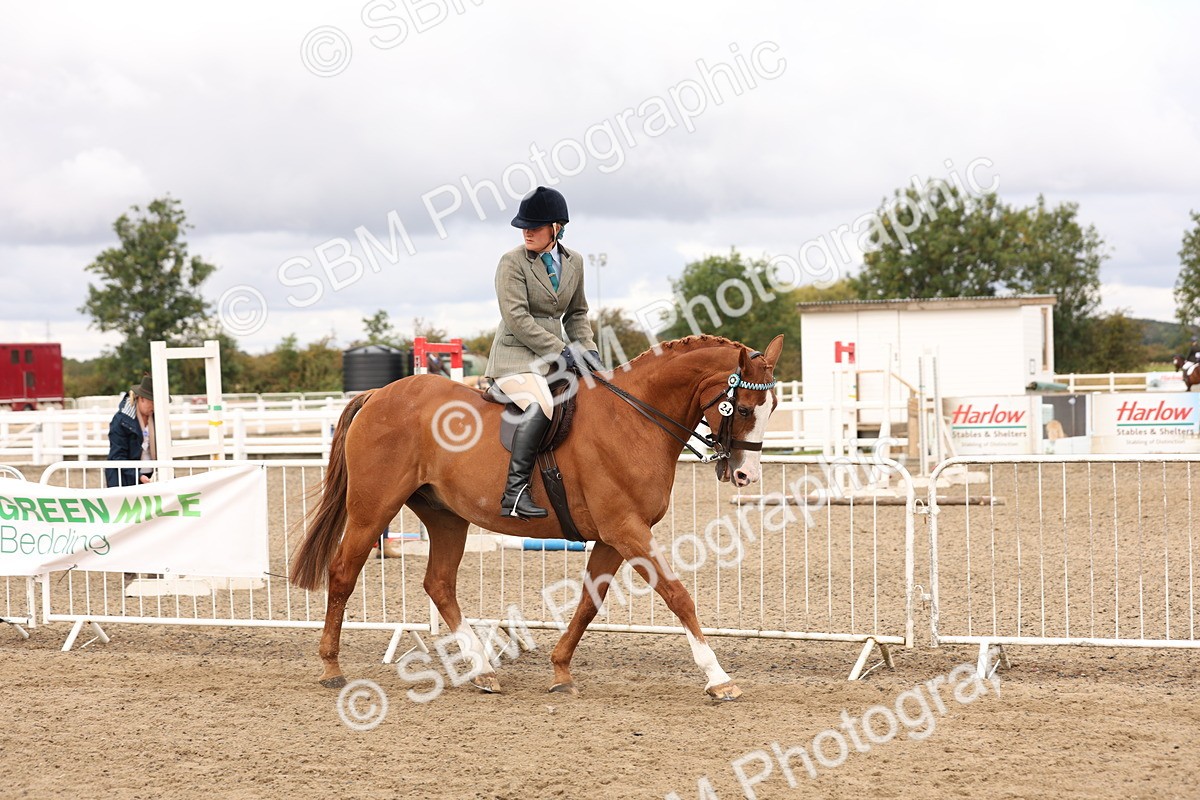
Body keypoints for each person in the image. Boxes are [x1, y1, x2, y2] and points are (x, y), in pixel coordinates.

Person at [483, 186, 603, 519]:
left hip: (555, 359)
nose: (527, 231)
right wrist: (562, 350)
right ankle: (515, 492)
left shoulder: (574, 262)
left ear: (557, 227)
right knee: (541, 405)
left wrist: (588, 352)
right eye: (524, 225)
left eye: (535, 226)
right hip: (515, 359)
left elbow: (576, 313)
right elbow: (517, 318)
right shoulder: (512, 262)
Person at [105, 374, 157, 488]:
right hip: (125, 478)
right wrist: (138, 476)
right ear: (141, 399)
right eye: (152, 402)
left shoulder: (157, 418)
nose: (155, 406)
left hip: (152, 475)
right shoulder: (121, 420)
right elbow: (117, 456)